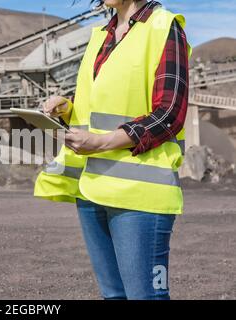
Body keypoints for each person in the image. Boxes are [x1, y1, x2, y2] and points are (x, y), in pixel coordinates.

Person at [35, 0, 190, 300]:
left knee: (145, 297)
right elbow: (102, 108)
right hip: (92, 189)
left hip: (140, 195)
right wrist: (68, 109)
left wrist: (102, 142)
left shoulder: (163, 28)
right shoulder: (100, 36)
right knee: (114, 296)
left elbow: (169, 113)